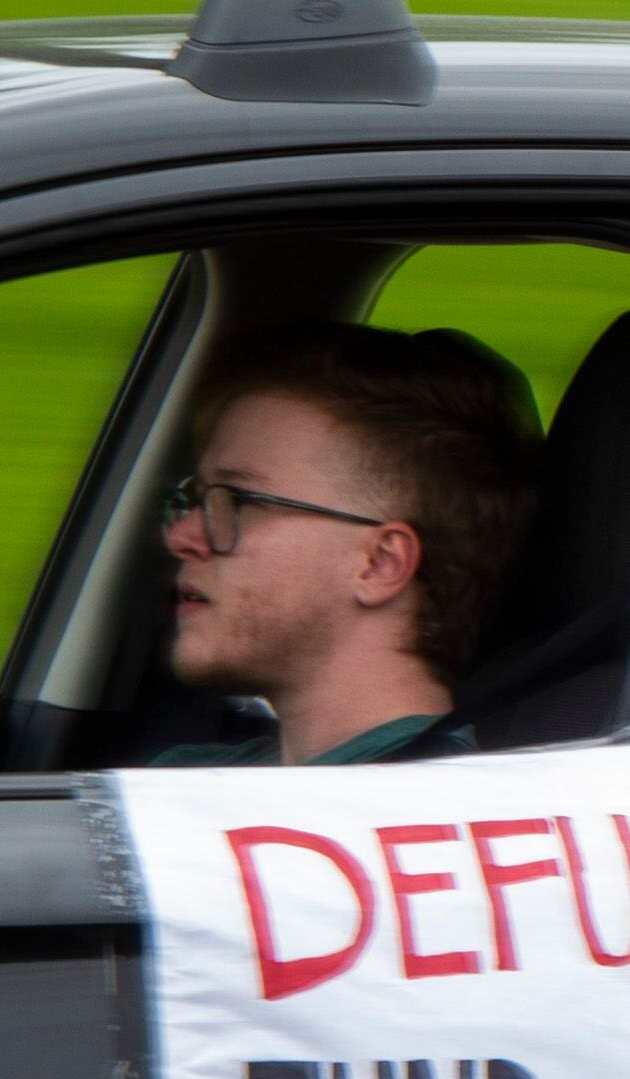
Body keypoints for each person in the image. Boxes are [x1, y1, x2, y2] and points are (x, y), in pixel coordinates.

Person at [153, 321, 539, 765]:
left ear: (379, 563)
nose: (181, 537)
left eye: (239, 502)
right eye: (196, 500)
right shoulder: (182, 780)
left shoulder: (436, 816)